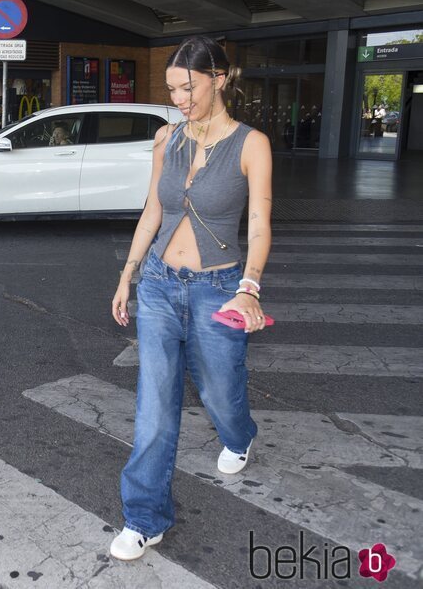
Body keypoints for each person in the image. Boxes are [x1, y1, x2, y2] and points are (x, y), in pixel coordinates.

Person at [108, 35, 272, 561]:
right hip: (159, 283)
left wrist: (249, 286)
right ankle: (144, 517)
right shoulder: (167, 139)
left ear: (219, 80)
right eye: (172, 88)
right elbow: (152, 212)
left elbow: (261, 224)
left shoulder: (251, 144)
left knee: (221, 391)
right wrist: (127, 275)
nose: (179, 98)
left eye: (188, 87)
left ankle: (240, 434)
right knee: (154, 404)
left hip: (218, 288)